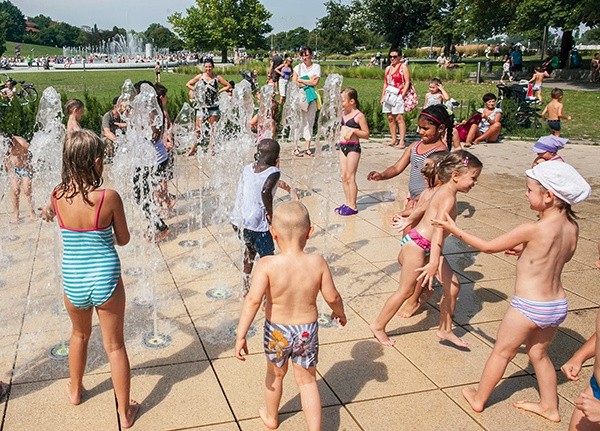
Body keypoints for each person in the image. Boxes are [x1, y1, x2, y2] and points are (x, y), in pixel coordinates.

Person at [432, 160, 591, 422]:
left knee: (502, 352)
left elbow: (487, 246)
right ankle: (549, 407)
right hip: (556, 305)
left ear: (548, 196)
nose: (526, 194)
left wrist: (454, 229)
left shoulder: (533, 228)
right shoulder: (572, 227)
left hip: (528, 306)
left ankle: (479, 398)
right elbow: (560, 256)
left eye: (529, 190)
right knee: (538, 354)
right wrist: (526, 250)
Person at [41, 130, 139, 429]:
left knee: (79, 336)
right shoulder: (108, 197)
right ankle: (124, 412)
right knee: (115, 347)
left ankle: (75, 390)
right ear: (96, 161)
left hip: (73, 278)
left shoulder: (57, 195)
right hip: (105, 278)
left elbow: (53, 215)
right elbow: (123, 239)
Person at [234, 200, 347, 431]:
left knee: (275, 375)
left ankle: (271, 417)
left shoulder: (267, 264)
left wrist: (241, 334)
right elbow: (333, 297)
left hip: (277, 331)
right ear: (310, 233)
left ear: (273, 233)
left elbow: (253, 300)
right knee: (307, 381)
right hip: (306, 330)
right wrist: (340, 313)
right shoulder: (317, 262)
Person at [369, 150, 482, 347]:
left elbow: (422, 207)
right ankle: (378, 325)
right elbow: (438, 231)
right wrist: (433, 262)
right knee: (405, 291)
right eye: (473, 178)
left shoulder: (444, 190)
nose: (475, 183)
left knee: (453, 287)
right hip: (419, 246)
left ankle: (445, 330)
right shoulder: (447, 197)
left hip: (424, 245)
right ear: (455, 176)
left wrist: (408, 220)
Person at [231, 139, 290, 295]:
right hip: (257, 223)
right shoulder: (274, 172)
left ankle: (245, 284)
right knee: (268, 258)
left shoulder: (247, 168)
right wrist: (271, 214)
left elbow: (254, 184)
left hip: (238, 221)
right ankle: (268, 293)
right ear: (275, 158)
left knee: (249, 250)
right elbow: (265, 192)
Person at [367, 105, 453, 209]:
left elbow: (441, 184)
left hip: (428, 201)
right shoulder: (414, 146)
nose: (420, 131)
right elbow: (397, 168)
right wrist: (382, 175)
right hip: (413, 199)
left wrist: (423, 199)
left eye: (425, 128)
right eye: (419, 127)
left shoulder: (440, 153)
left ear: (441, 128)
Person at [185, 58, 232, 156]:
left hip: (213, 106)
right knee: (197, 129)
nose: (208, 69)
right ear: (204, 67)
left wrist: (219, 91)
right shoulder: (200, 77)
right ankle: (192, 149)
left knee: (213, 129)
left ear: (213, 67)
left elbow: (228, 85)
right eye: (206, 67)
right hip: (202, 106)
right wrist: (196, 90)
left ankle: (211, 148)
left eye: (210, 66)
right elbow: (188, 84)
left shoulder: (216, 77)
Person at [335, 87, 370, 216]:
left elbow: (366, 134)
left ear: (352, 101)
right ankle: (348, 202)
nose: (341, 103)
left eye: (343, 100)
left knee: (350, 176)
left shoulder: (359, 116)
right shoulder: (343, 114)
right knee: (344, 176)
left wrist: (354, 131)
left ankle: (353, 206)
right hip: (342, 146)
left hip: (353, 148)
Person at [292, 46, 321, 157]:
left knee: (310, 121)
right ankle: (295, 147)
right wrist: (307, 81)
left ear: (311, 55)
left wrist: (301, 80)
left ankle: (307, 147)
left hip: (311, 97)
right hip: (301, 97)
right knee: (298, 121)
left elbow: (315, 82)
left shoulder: (316, 67)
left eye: (307, 55)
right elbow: (295, 82)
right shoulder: (297, 68)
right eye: (303, 55)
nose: (305, 57)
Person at [381, 48, 411, 148]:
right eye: (391, 56)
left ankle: (402, 140)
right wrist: (383, 96)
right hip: (389, 93)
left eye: (395, 57)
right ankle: (393, 138)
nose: (392, 58)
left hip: (398, 93)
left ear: (399, 57)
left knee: (399, 117)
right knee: (390, 117)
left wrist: (402, 95)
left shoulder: (403, 67)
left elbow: (407, 82)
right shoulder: (388, 68)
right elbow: (385, 83)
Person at [3, 133, 36, 223]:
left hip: (26, 168)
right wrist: (10, 172)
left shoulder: (22, 143)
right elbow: (5, 158)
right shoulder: (3, 145)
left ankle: (32, 212)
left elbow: (35, 152)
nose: (9, 149)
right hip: (14, 169)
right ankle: (16, 213)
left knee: (27, 190)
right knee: (15, 190)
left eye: (10, 146)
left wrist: (31, 167)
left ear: (12, 140)